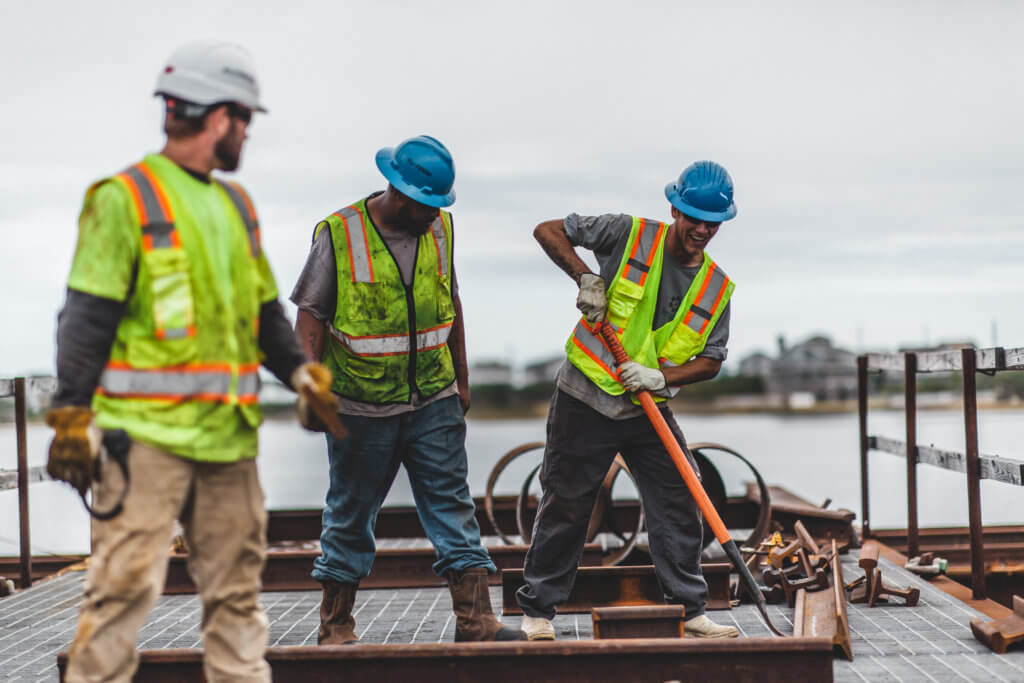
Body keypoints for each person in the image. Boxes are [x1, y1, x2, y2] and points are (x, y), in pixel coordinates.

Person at [45, 40, 336, 682]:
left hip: (227, 441)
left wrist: (299, 373)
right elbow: (85, 319)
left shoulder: (236, 207)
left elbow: (264, 316)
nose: (248, 134)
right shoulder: (123, 199)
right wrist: (70, 417)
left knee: (237, 601)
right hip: (143, 442)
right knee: (120, 597)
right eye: (245, 120)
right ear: (218, 115)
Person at [291, 135, 525, 644]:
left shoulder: (440, 227)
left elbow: (452, 301)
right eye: (427, 205)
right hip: (359, 405)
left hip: (432, 399)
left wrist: (461, 381)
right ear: (399, 193)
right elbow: (310, 316)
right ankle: (335, 626)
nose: (434, 214)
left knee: (453, 506)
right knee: (350, 512)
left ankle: (476, 620)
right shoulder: (340, 234)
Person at [515, 161, 742, 640]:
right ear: (675, 208)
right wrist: (585, 278)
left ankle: (689, 607)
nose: (702, 229)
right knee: (567, 501)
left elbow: (712, 362)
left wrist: (660, 378)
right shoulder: (629, 234)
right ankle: (538, 611)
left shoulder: (717, 287)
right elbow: (548, 230)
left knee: (681, 493)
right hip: (585, 396)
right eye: (693, 217)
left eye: (712, 222)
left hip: (648, 408)